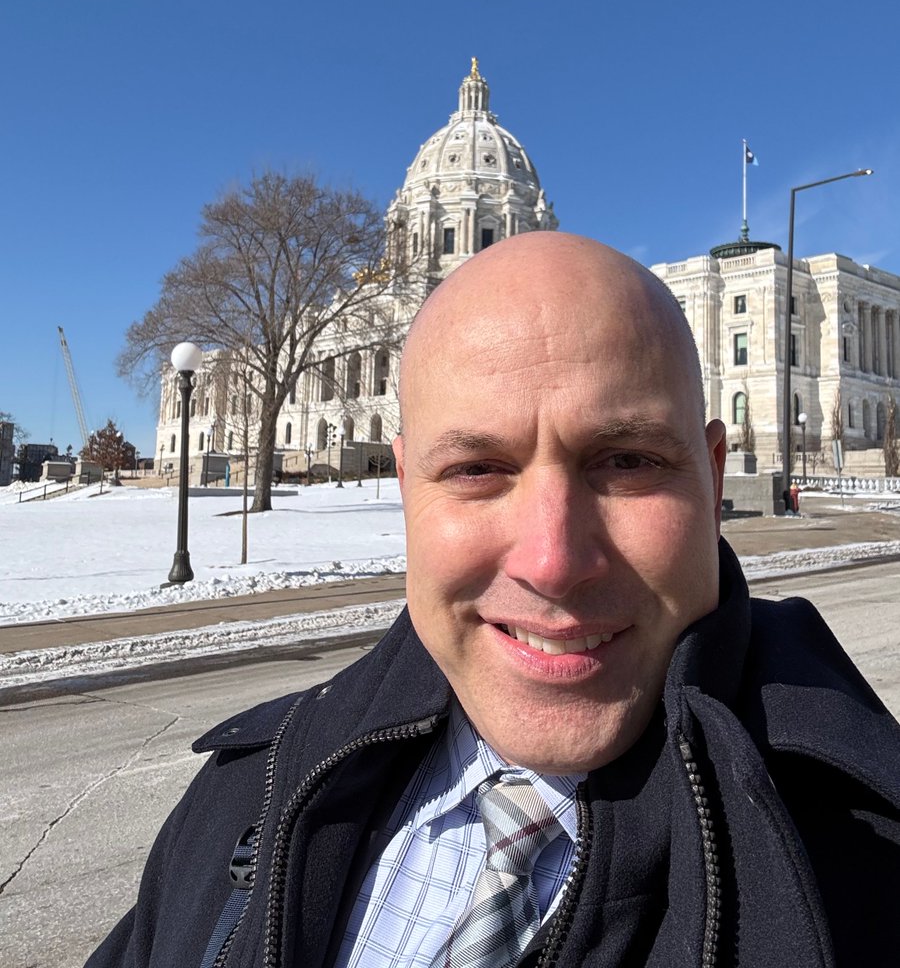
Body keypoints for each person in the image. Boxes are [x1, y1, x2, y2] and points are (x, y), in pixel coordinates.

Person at [88, 232, 900, 968]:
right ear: (406, 488)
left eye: (627, 461)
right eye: (476, 469)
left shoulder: (867, 862)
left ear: (715, 475)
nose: (553, 563)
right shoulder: (244, 792)